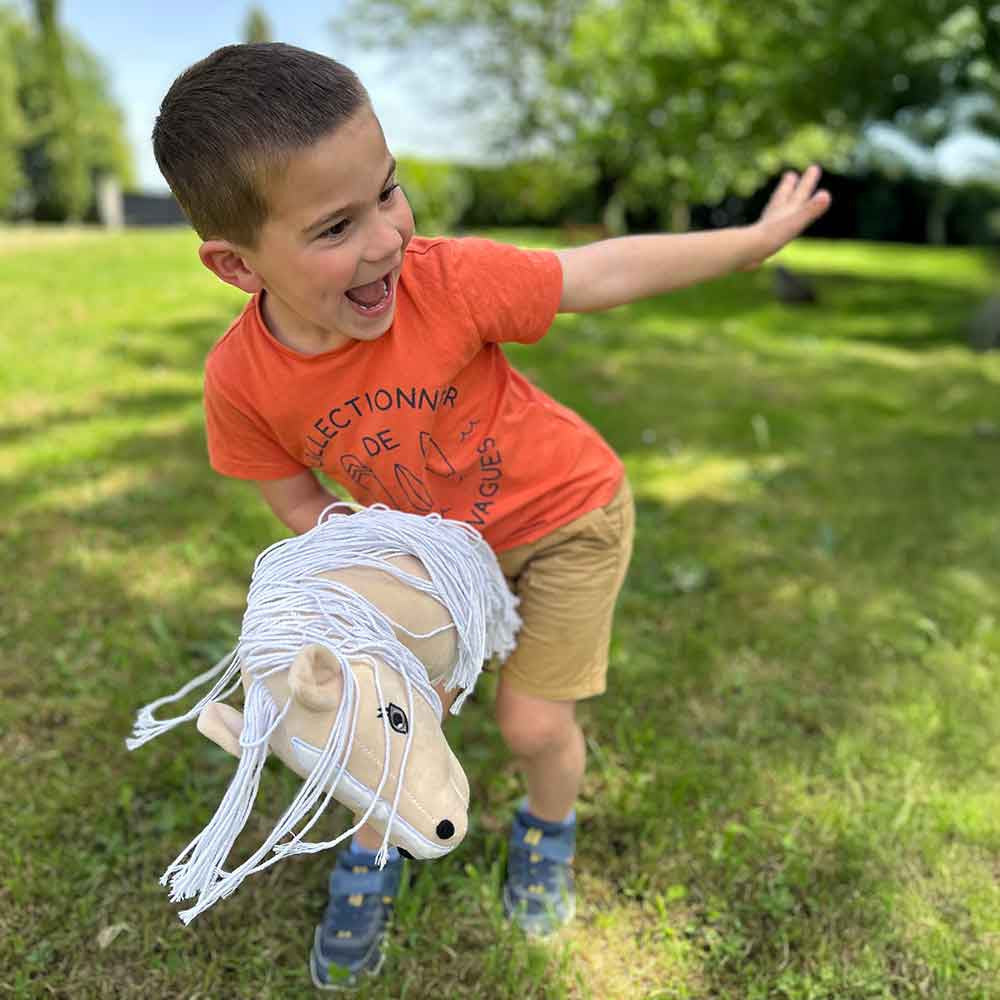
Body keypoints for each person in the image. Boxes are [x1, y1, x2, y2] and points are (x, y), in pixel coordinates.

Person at [153, 41, 831, 990]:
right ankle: (376, 843)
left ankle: (547, 832)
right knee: (368, 716)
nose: (387, 238)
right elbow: (302, 505)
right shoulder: (240, 381)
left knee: (529, 725)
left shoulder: (447, 281)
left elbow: (597, 273)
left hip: (567, 522)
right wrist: (371, 594)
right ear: (235, 265)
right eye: (336, 227)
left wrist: (750, 243)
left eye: (388, 193)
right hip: (439, 568)